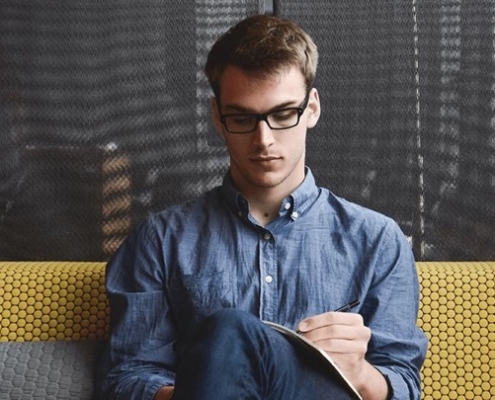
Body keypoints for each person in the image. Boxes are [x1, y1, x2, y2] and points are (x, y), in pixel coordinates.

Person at [95, 14, 427, 400]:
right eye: (242, 118)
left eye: (283, 114)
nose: (264, 140)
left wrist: (359, 371)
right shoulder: (160, 241)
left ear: (312, 109)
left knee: (231, 332)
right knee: (229, 332)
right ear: (218, 118)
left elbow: (404, 384)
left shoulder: (377, 240)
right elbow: (127, 378)